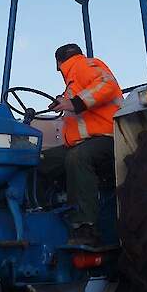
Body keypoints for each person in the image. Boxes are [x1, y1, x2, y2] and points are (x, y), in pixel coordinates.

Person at [39, 43, 123, 246]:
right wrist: (63, 101)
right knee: (39, 160)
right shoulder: (72, 84)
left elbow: (107, 85)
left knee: (77, 157)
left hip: (108, 137)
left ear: (59, 64)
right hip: (83, 142)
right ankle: (41, 214)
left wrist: (73, 103)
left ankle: (85, 226)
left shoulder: (83, 66)